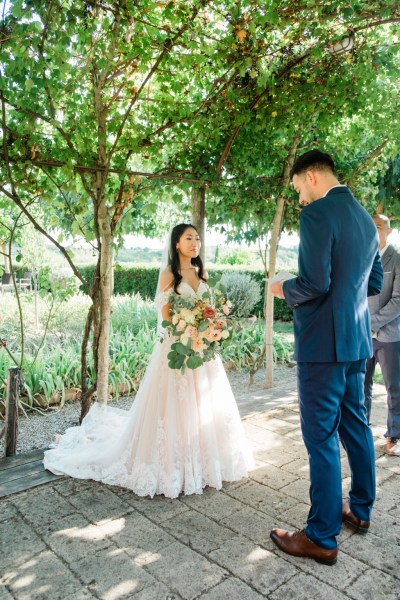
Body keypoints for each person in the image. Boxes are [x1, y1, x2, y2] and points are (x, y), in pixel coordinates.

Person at [44, 224, 253, 498]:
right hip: (176, 347)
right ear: (177, 243)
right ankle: (171, 464)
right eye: (189, 238)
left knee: (203, 404)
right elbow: (166, 315)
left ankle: (204, 461)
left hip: (202, 351)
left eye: (198, 238)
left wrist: (209, 328)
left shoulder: (202, 273)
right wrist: (187, 330)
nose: (195, 243)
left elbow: (208, 311)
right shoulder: (168, 273)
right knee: (173, 406)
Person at [269, 150, 383, 566]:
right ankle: (361, 510)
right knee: (356, 425)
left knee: (320, 437)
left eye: (298, 187)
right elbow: (372, 281)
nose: (299, 197)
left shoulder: (317, 215)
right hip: (357, 343)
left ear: (312, 176)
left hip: (323, 348)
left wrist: (283, 288)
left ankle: (320, 536)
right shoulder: (366, 219)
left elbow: (314, 283)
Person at [364, 214, 400, 456]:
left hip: (389, 335)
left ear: (388, 231)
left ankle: (394, 435)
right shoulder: (362, 257)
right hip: (363, 336)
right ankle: (360, 429)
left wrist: (370, 323)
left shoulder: (396, 259)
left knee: (394, 387)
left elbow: (398, 301)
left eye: (377, 227)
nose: (373, 231)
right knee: (360, 385)